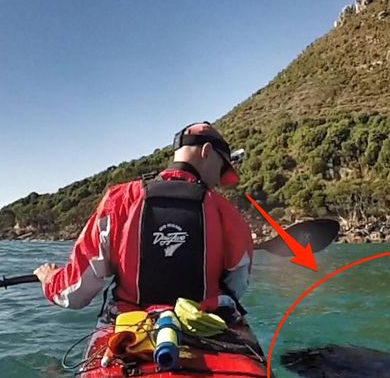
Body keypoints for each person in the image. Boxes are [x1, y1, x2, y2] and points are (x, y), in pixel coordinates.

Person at [34, 122, 253, 316]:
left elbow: (74, 292)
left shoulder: (118, 200)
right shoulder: (227, 213)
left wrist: (50, 279)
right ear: (206, 152)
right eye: (222, 167)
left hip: (134, 326)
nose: (219, 180)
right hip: (202, 326)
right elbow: (237, 286)